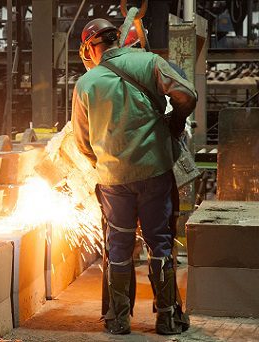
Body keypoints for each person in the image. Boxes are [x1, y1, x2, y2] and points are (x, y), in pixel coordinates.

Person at [72, 18, 197, 335]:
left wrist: (105, 162)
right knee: (160, 241)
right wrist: (175, 122)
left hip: (113, 179)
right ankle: (167, 318)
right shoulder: (149, 61)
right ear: (117, 40)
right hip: (155, 170)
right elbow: (187, 94)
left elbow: (82, 143)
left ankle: (117, 320)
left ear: (90, 47)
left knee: (118, 244)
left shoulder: (86, 84)